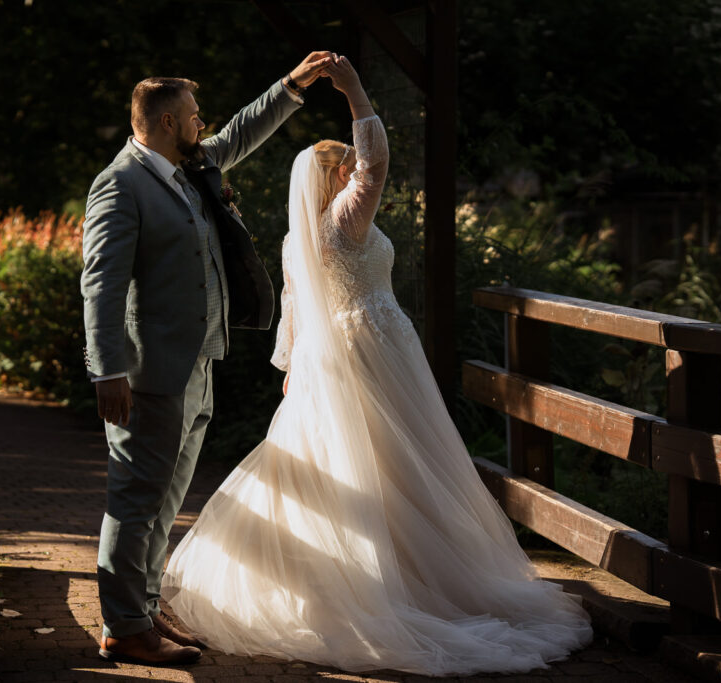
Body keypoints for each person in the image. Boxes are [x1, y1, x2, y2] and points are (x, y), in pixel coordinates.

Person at [161, 56, 593, 676]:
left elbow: (296, 307)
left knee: (361, 462)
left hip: (328, 355)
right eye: (346, 167)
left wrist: (293, 367)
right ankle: (402, 583)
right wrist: (355, 92)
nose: (354, 174)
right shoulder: (344, 220)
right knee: (396, 459)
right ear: (337, 175)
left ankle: (383, 571)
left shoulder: (297, 239)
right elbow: (378, 163)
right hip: (372, 348)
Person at [80, 51, 334, 666]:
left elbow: (241, 131)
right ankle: (124, 627)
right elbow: (101, 285)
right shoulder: (121, 183)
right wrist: (107, 370)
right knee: (136, 499)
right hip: (149, 373)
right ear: (168, 122)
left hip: (198, 363)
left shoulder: (188, 168)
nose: (204, 124)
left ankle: (144, 609)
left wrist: (292, 85)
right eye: (195, 116)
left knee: (166, 500)